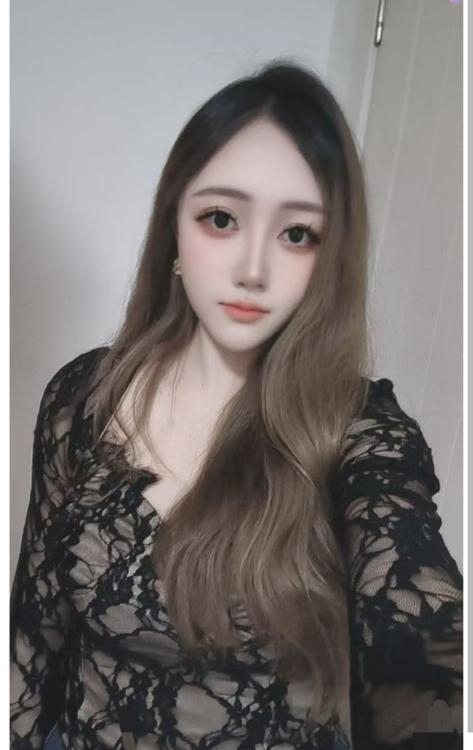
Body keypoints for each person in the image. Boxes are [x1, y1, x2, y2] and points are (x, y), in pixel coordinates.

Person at [10, 59, 462, 750]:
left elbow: (417, 636)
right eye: (220, 218)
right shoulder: (83, 398)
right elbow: (35, 638)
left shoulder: (359, 430)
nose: (253, 268)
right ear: (174, 229)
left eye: (297, 234)